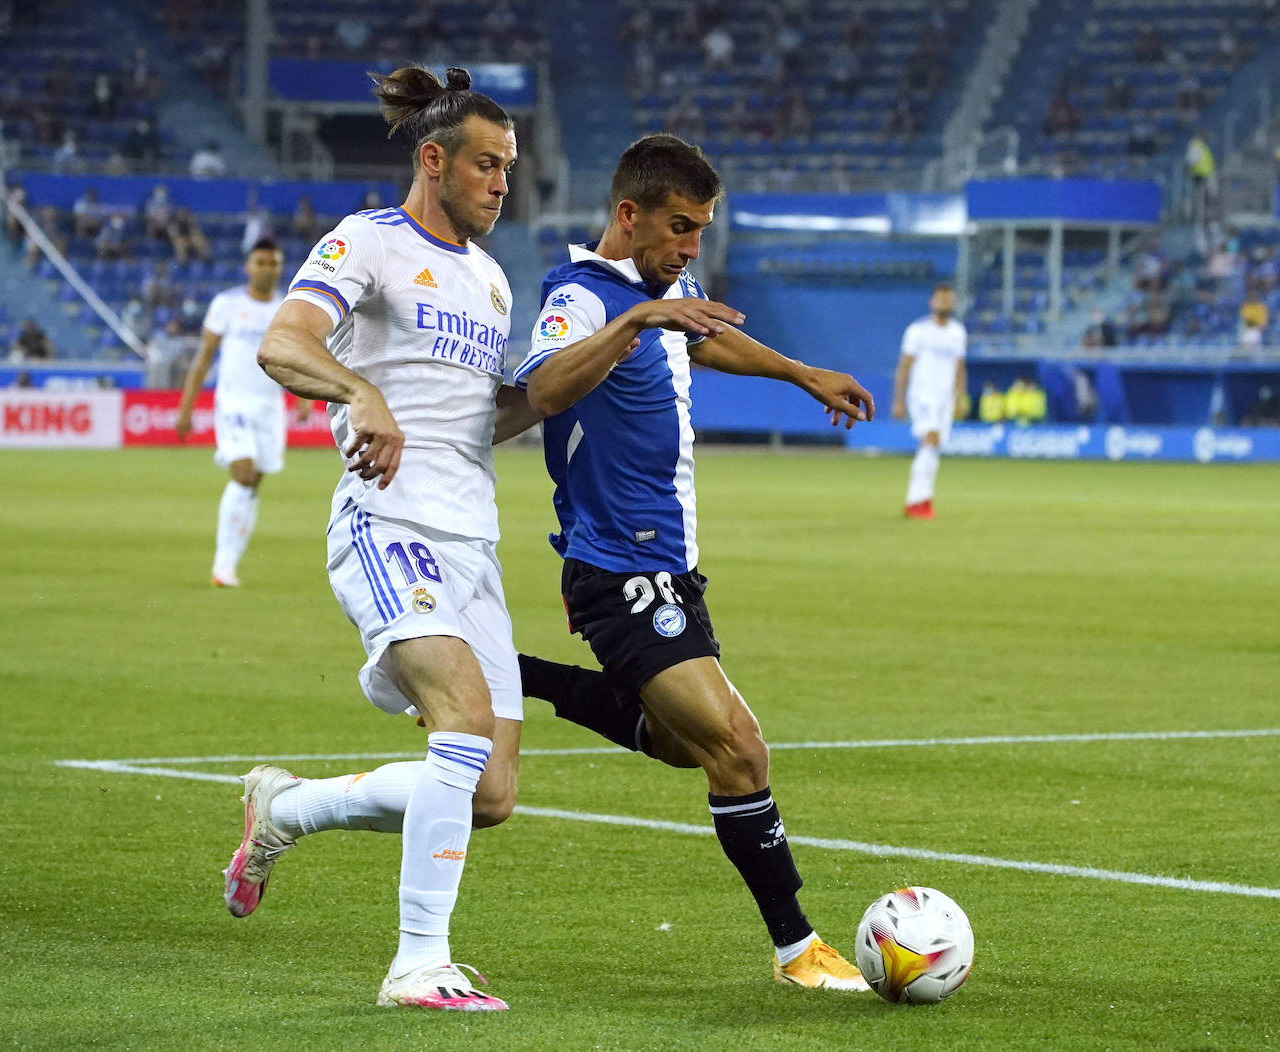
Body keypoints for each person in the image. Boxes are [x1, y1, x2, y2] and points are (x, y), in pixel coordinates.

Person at [513, 134, 875, 993]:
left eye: (701, 232)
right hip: (619, 570)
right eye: (680, 228)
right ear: (628, 214)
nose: (690, 249)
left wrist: (798, 372)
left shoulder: (665, 289)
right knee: (740, 751)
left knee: (683, 748)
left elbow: (701, 341)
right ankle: (799, 949)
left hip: (672, 567)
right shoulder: (581, 297)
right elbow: (544, 389)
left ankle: (507, 670)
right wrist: (638, 317)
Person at [216, 67, 535, 1013]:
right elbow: (285, 341)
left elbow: (479, 421)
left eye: (510, 169)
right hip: (386, 520)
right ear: (433, 160)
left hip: (473, 540)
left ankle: (287, 808)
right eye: (486, 164)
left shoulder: (490, 280)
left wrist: (576, 379)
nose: (500, 184)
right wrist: (361, 391)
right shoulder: (369, 240)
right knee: (465, 731)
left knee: (488, 793)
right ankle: (417, 965)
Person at [175, 237, 309, 588]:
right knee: (244, 473)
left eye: (273, 263)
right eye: (260, 262)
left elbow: (302, 355)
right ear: (249, 266)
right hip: (234, 403)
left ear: (280, 267)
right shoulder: (227, 304)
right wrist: (186, 407)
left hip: (269, 406)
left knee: (254, 482)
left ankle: (229, 564)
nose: (267, 269)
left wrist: (306, 396)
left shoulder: (287, 307)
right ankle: (222, 565)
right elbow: (203, 358)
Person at [892, 283, 967, 519]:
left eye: (949, 299)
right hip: (922, 397)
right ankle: (918, 501)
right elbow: (904, 366)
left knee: (932, 447)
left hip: (945, 400)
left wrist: (959, 397)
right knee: (931, 441)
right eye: (941, 299)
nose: (945, 303)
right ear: (931, 302)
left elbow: (959, 368)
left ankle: (919, 499)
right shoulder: (918, 331)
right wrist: (899, 400)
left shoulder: (958, 332)